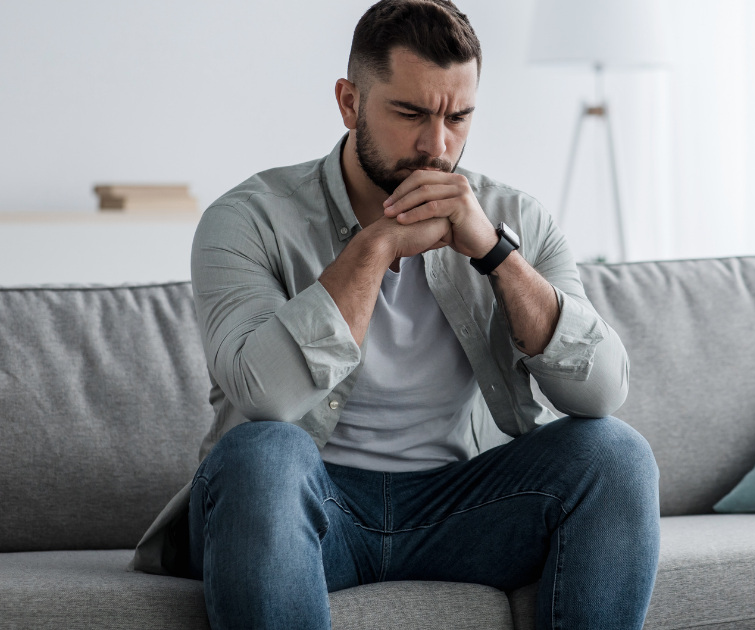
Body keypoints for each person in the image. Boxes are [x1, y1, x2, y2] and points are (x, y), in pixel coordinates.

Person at [128, 1, 660, 628]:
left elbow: (602, 392)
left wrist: (495, 255)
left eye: (457, 117)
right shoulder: (248, 220)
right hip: (303, 505)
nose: (437, 146)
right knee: (263, 453)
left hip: (462, 510)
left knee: (616, 455)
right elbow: (266, 396)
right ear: (349, 102)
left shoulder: (515, 219)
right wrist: (376, 246)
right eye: (410, 113)